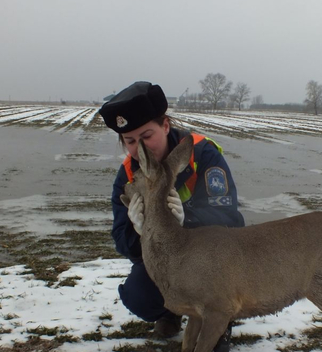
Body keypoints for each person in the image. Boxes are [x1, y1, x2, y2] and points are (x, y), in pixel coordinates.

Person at [98, 81, 245, 352]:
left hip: (209, 258)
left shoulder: (203, 154)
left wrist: (185, 218)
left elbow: (230, 220)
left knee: (215, 275)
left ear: (165, 126)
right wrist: (138, 229)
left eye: (146, 136)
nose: (139, 148)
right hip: (169, 261)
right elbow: (122, 242)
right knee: (138, 297)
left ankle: (220, 317)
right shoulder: (129, 175)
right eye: (129, 141)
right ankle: (172, 312)